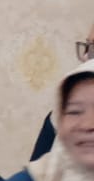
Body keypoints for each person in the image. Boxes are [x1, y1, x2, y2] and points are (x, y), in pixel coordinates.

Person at [31, 23, 94, 160]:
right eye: (87, 46)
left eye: (93, 49)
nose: (85, 57)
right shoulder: (60, 115)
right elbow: (36, 170)